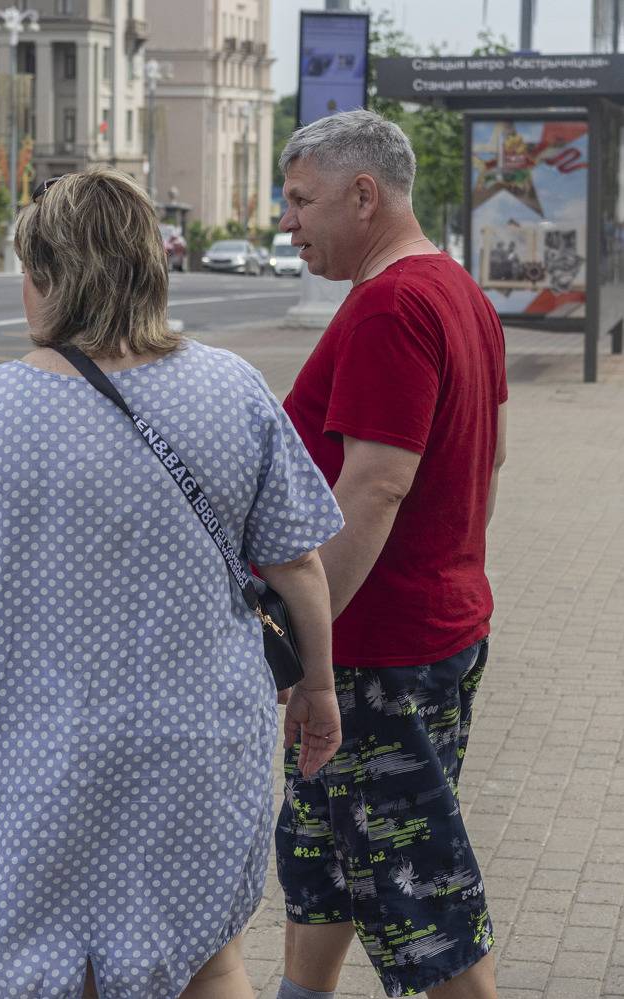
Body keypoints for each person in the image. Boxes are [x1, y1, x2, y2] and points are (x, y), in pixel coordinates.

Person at [0, 169, 345, 999]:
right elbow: (298, 564)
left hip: (33, 740)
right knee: (208, 959)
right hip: (199, 737)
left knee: (46, 965)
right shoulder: (232, 387)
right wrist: (318, 684)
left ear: (51, 277)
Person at [274, 109, 508, 999]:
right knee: (324, 855)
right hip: (425, 631)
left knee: (421, 897)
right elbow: (491, 457)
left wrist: (306, 648)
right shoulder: (456, 290)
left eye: (302, 200)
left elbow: (374, 485)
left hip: (377, 657)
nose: (288, 222)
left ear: (363, 195)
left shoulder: (391, 305)